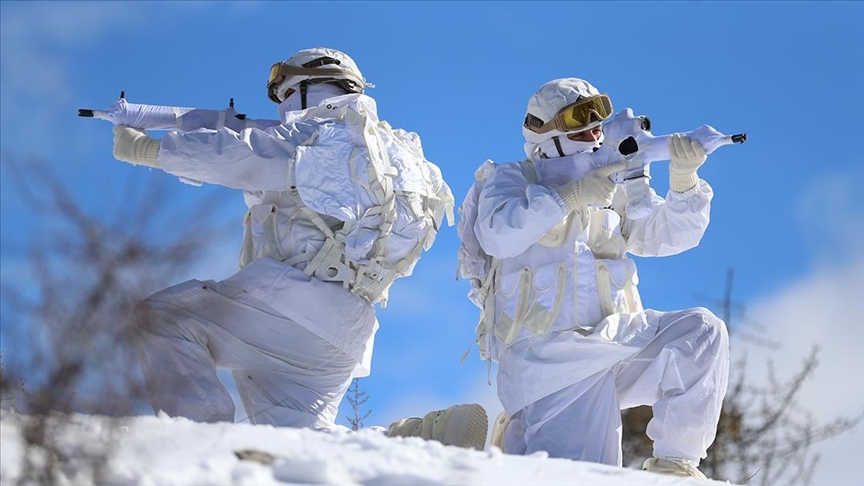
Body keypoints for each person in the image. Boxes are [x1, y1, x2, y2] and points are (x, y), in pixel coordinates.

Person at [110, 47, 487, 448]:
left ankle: (199, 441)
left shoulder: (319, 134)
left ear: (308, 88)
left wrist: (149, 150)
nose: (281, 109)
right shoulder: (393, 151)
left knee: (162, 318)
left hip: (287, 302)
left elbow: (240, 155)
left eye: (286, 94)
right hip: (345, 327)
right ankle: (413, 441)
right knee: (298, 442)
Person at [463, 78, 730, 479]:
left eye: (597, 125)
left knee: (700, 333)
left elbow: (667, 235)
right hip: (550, 362)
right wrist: (569, 196)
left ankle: (674, 467)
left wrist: (684, 180)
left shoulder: (610, 186)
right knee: (585, 478)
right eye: (579, 126)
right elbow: (499, 234)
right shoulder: (513, 178)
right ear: (545, 133)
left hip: (612, 342)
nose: (593, 134)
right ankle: (462, 455)